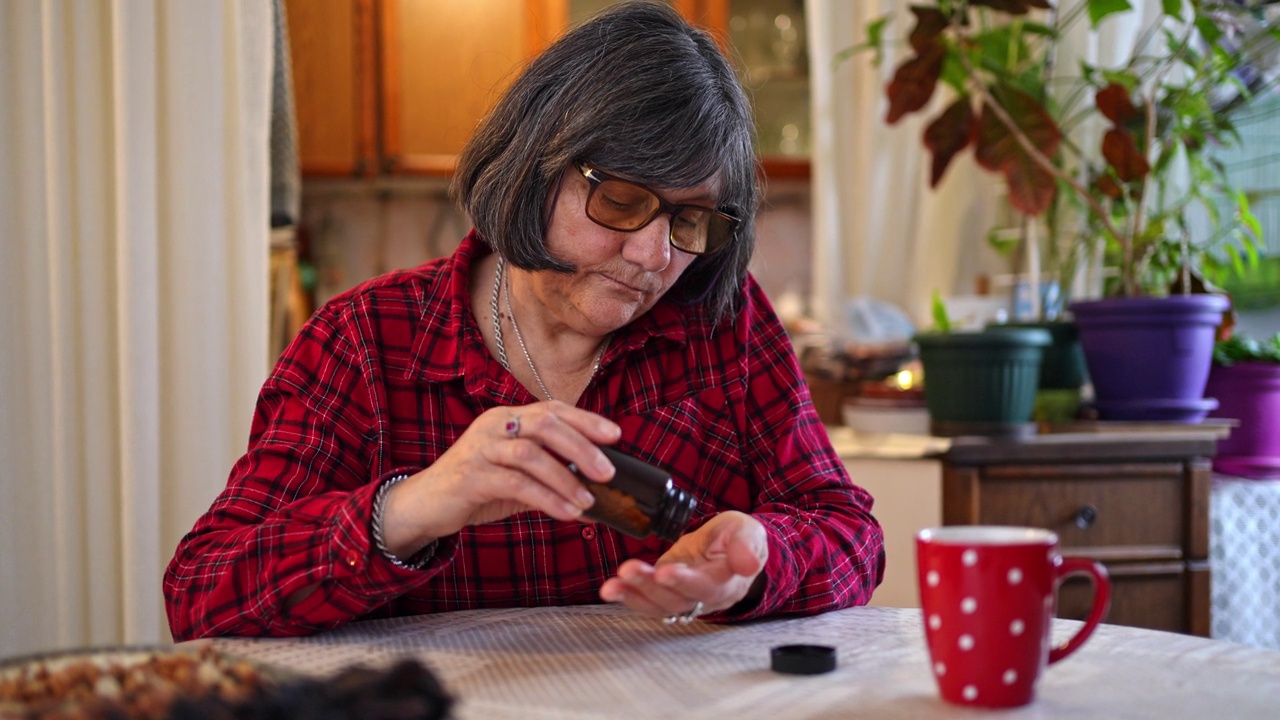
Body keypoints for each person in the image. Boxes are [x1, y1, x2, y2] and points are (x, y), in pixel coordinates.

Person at [164, 0, 884, 640]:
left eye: (691, 220)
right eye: (622, 201)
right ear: (533, 166)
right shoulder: (365, 341)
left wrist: (760, 556)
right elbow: (202, 594)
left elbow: (850, 532)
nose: (652, 253)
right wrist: (413, 507)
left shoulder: (720, 321)